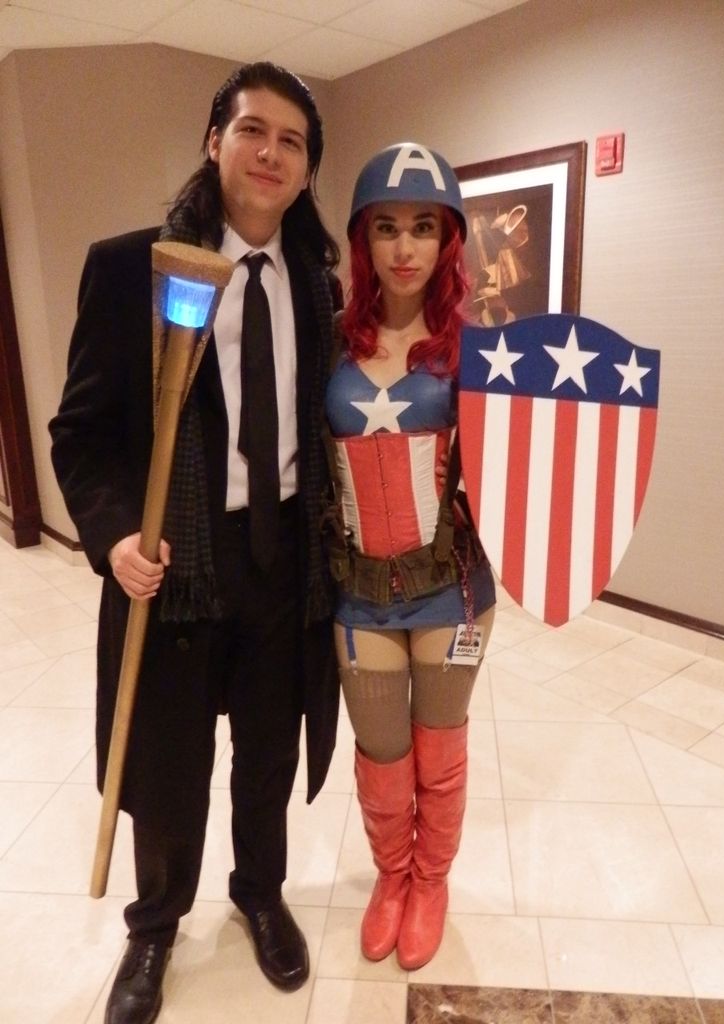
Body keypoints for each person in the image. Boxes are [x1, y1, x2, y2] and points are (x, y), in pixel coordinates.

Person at [49, 62, 341, 1024]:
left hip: (285, 558)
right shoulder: (134, 270)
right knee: (169, 764)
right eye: (253, 130)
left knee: (266, 753)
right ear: (214, 141)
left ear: (307, 169)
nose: (270, 153)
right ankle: (155, 926)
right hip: (177, 563)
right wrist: (110, 537)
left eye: (292, 141)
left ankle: (260, 894)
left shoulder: (318, 284)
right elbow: (80, 435)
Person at [323, 143, 496, 971]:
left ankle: (430, 882)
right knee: (382, 750)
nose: (404, 247)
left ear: (447, 240)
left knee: (440, 747)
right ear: (364, 240)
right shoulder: (329, 346)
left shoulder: (478, 354)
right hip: (358, 591)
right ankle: (392, 877)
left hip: (450, 591)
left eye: (423, 227)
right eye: (386, 227)